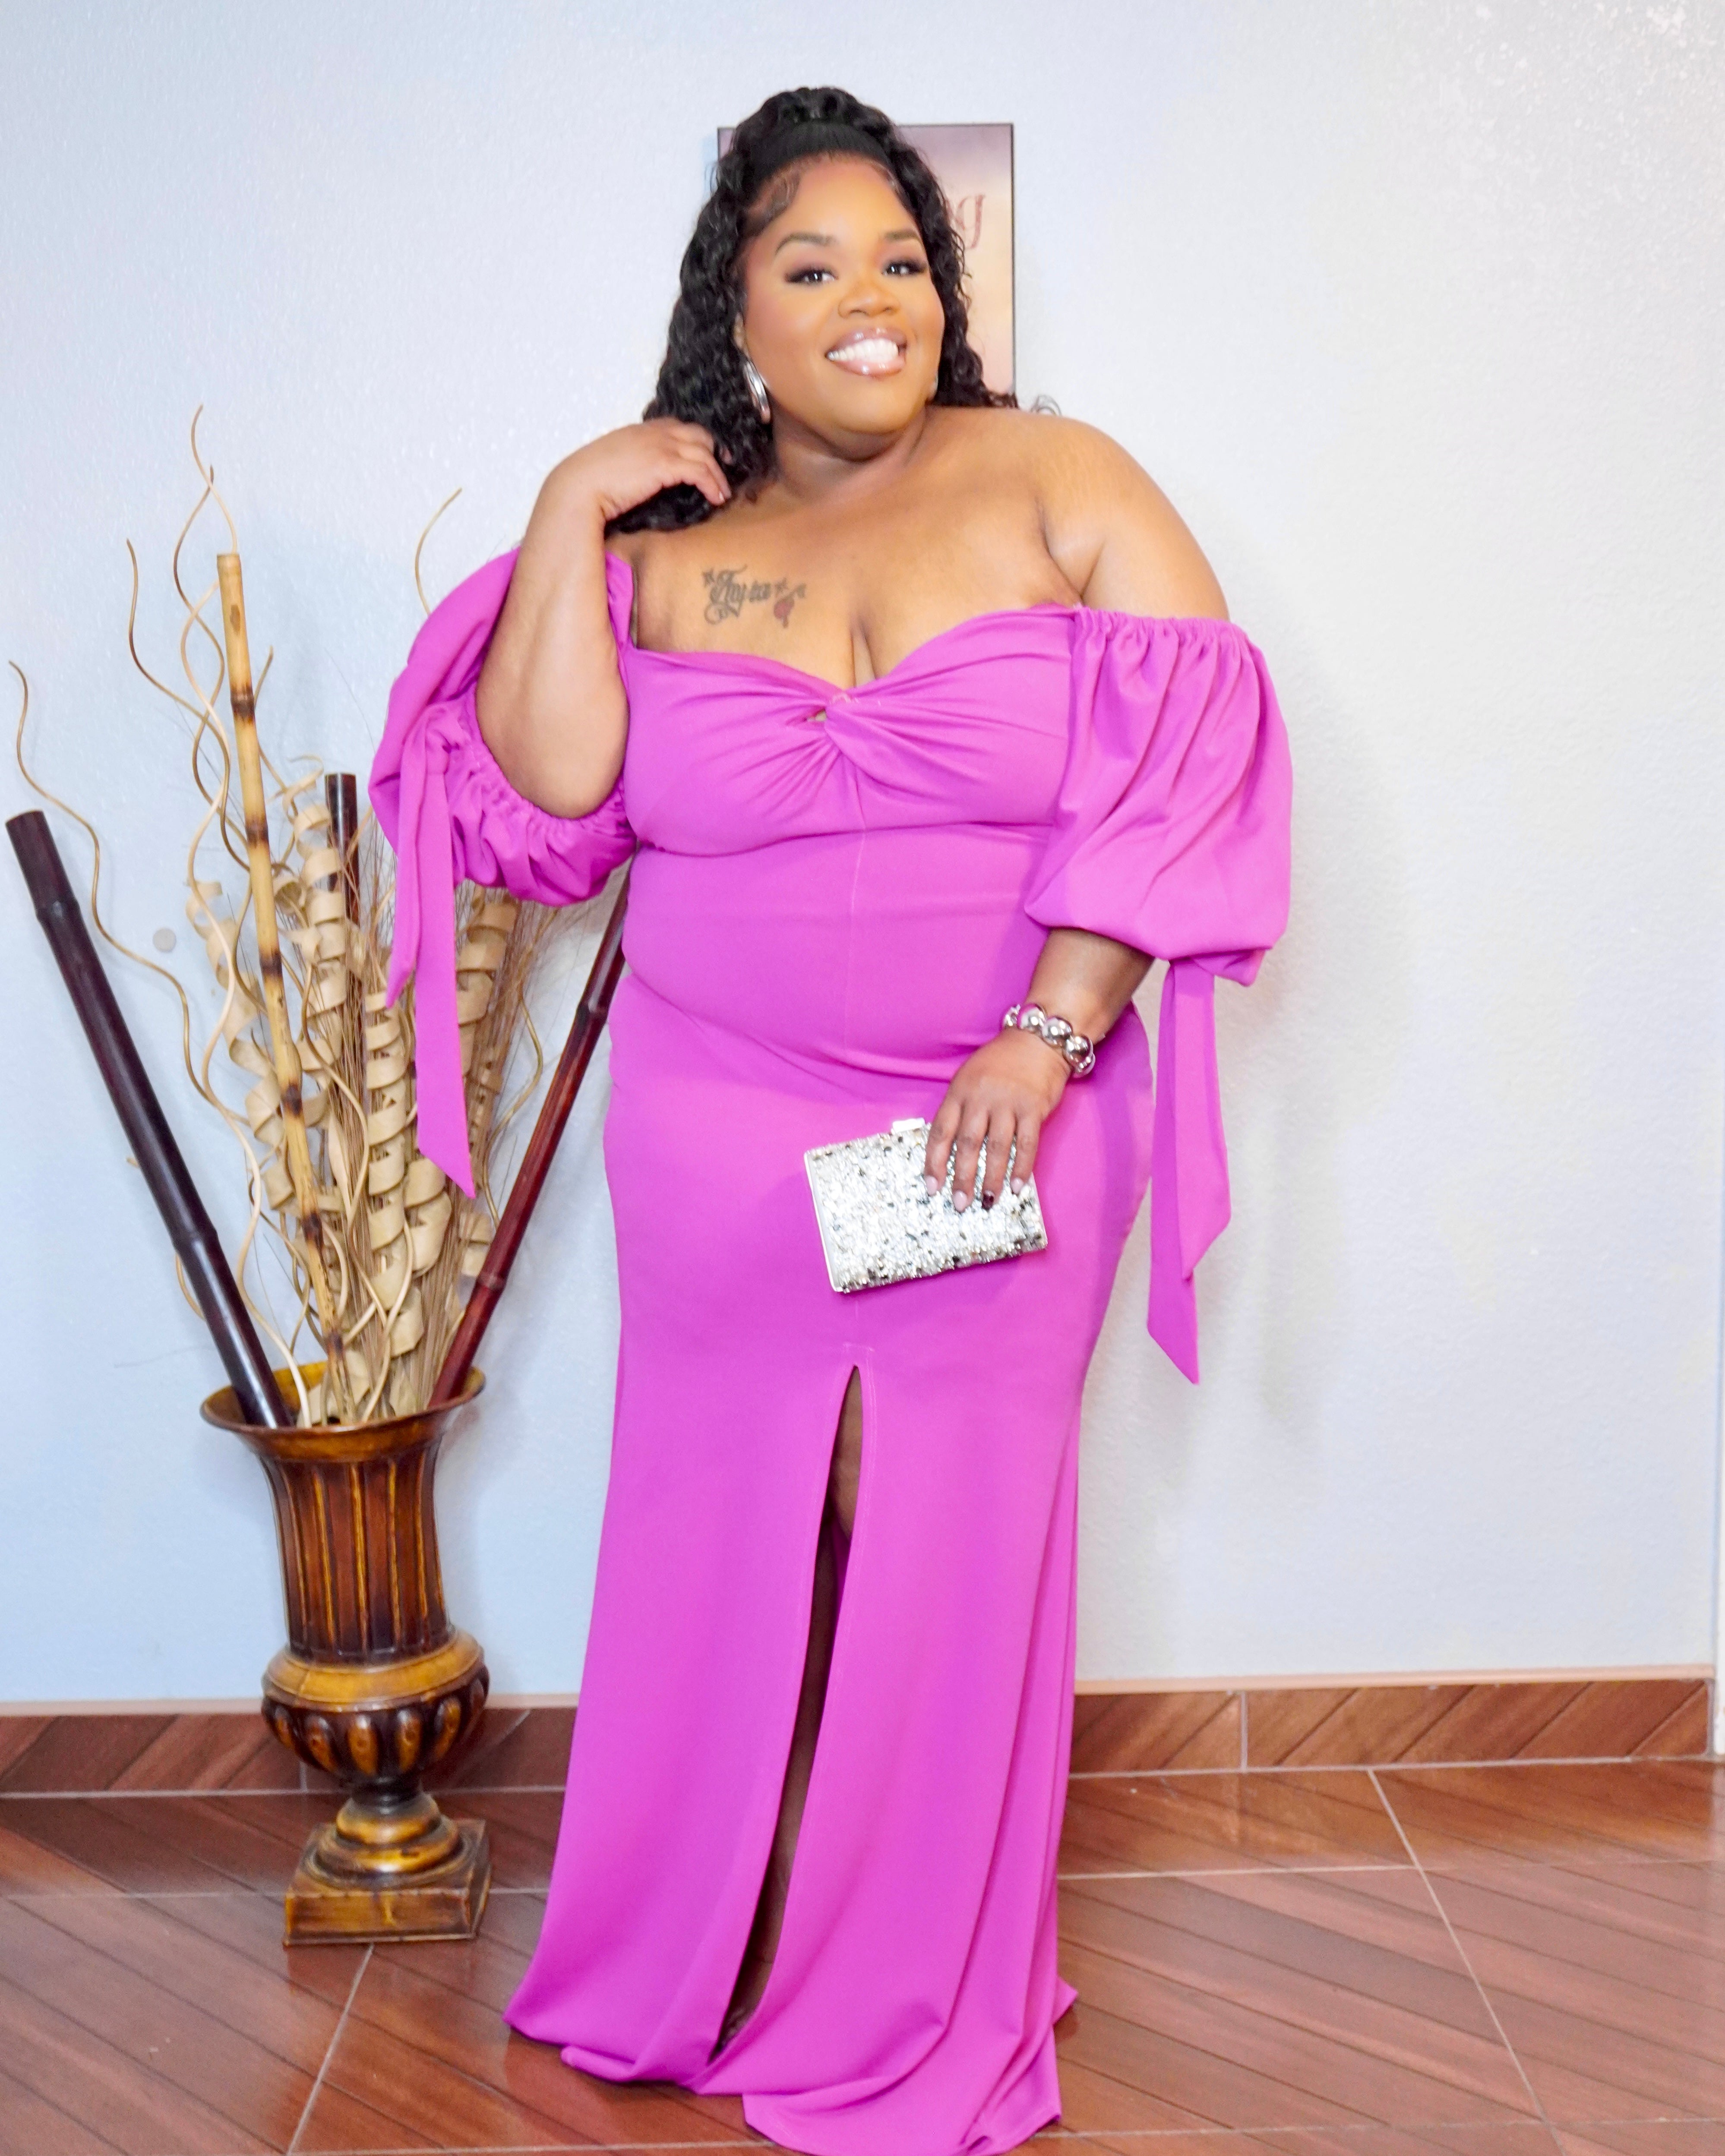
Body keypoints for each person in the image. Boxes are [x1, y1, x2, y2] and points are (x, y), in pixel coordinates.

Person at [373, 84, 1291, 2156]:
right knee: (719, 1534)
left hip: (991, 1120)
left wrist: (1048, 1034)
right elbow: (551, 794)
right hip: (721, 1131)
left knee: (933, 1524)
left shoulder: (1056, 476)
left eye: (902, 260)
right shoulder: (677, 554)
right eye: (814, 265)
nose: (871, 299)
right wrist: (570, 505)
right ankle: (690, 1954)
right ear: (740, 315)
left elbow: (1191, 765)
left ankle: (902, 1986)